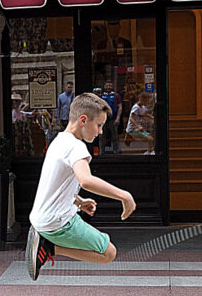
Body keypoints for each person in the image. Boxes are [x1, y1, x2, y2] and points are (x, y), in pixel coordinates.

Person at [25, 93, 136, 280]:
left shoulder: (59, 141)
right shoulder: (76, 147)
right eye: (99, 125)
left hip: (41, 218)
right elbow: (86, 180)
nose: (100, 131)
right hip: (58, 223)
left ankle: (46, 243)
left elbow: (56, 185)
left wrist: (79, 201)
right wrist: (125, 196)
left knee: (106, 251)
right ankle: (49, 247)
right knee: (109, 253)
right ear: (83, 120)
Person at [99, 81, 122, 154]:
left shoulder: (116, 96)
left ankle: (116, 151)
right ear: (104, 86)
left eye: (110, 85)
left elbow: (120, 107)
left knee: (114, 136)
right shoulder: (101, 96)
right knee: (102, 136)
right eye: (107, 85)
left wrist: (118, 118)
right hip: (103, 120)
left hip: (113, 119)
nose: (108, 87)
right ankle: (101, 152)